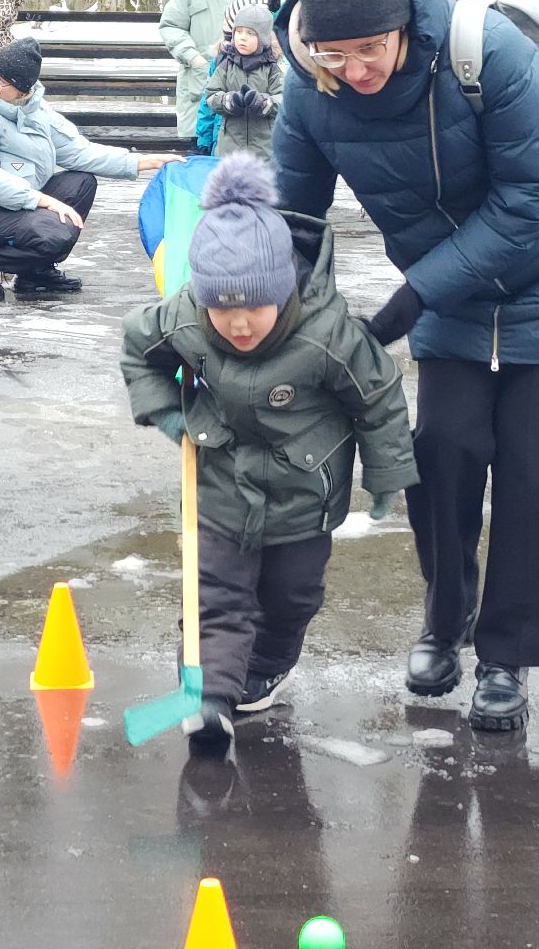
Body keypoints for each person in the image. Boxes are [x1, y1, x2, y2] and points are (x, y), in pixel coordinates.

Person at [272, 0, 539, 732]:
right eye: (338, 55)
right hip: (451, 271)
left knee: (533, 469)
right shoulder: (310, 88)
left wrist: (404, 302)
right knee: (442, 451)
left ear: (403, 25)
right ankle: (445, 621)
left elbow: (526, 206)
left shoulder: (487, 52)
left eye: (372, 49)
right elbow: (292, 221)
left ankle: (506, 655)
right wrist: (253, 324)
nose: (358, 70)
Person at [119, 152, 419, 754]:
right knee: (215, 594)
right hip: (219, 484)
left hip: (304, 497)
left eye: (252, 308)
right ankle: (208, 699)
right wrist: (166, 409)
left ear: (282, 291)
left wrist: (387, 474)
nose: (238, 325)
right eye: (221, 311)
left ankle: (265, 668)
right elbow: (139, 348)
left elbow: (378, 398)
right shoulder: (185, 318)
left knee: (291, 598)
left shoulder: (327, 336)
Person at [0, 38, 183, 300]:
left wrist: (145, 162)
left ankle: (34, 272)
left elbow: (79, 152)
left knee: (81, 183)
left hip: (11, 204)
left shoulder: (35, 110)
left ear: (22, 89)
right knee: (54, 232)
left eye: (0, 81)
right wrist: (44, 201)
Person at [160, 0, 262, 149]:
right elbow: (171, 27)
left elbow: (265, 33)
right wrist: (195, 60)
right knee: (200, 161)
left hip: (240, 92)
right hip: (200, 90)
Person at [203, 0, 284, 158]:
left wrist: (264, 103)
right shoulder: (226, 65)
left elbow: (284, 99)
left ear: (263, 38)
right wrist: (228, 100)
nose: (242, 37)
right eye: (238, 32)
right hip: (230, 148)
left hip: (264, 150)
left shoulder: (271, 68)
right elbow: (211, 95)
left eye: (250, 33)